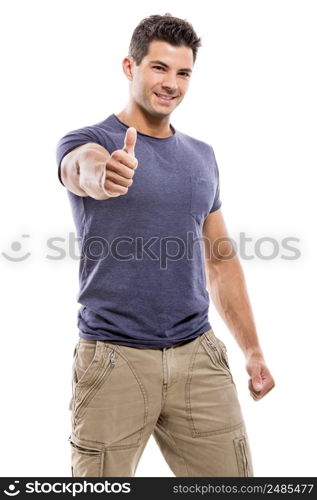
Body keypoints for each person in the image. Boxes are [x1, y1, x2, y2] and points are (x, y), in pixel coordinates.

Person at [55, 13, 275, 478]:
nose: (171, 83)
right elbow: (81, 167)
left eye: (183, 72)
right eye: (159, 68)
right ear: (129, 68)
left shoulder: (202, 156)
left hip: (199, 357)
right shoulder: (90, 141)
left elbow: (220, 260)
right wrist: (102, 174)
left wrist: (252, 351)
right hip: (114, 359)